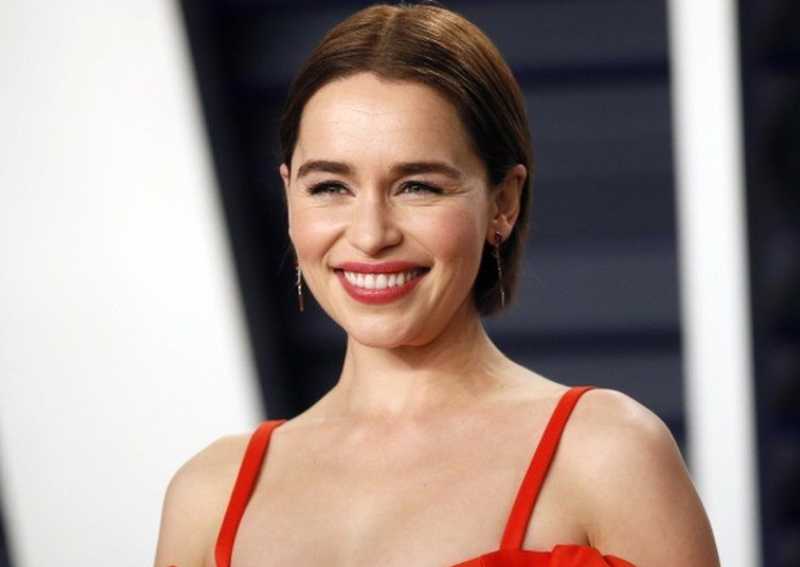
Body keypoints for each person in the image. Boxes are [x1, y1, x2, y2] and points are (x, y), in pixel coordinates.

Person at [154, 4, 720, 567]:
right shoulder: (208, 497)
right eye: (329, 187)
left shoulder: (608, 455)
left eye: (418, 186)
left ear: (503, 203)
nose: (371, 235)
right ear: (288, 199)